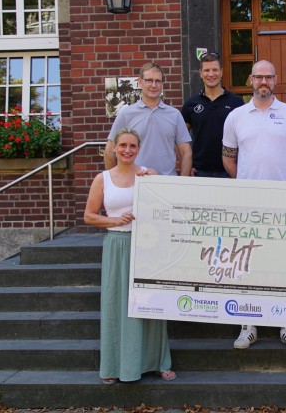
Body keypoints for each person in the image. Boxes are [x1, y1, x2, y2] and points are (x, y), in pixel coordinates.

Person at [221, 60, 286, 349]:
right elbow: (228, 157)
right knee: (248, 260)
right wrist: (245, 183)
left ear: (275, 80)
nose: (263, 82)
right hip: (247, 202)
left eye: (268, 77)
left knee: (284, 261)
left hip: (284, 201)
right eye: (259, 77)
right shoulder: (236, 116)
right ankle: (248, 324)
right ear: (251, 80)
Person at [84, 128, 176, 385]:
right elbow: (89, 216)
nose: (127, 150)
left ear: (138, 148)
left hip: (147, 246)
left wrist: (155, 183)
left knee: (151, 303)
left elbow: (166, 208)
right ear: (114, 148)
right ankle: (115, 365)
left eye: (132, 146)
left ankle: (158, 362)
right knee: (116, 303)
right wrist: (114, 220)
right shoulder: (103, 178)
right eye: (123, 145)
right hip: (117, 245)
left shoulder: (148, 174)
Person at [104, 63, 192, 176]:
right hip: (135, 181)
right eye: (149, 80)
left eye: (158, 81)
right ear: (140, 82)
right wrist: (114, 181)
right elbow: (110, 151)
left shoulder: (174, 115)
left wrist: (182, 181)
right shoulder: (126, 114)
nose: (154, 85)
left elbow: (185, 152)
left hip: (167, 182)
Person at [181, 51, 245, 177]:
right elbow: (181, 139)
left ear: (221, 72)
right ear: (201, 73)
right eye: (206, 70)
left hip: (230, 172)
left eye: (215, 70)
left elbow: (245, 136)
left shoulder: (236, 102)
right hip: (199, 172)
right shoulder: (191, 104)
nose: (211, 74)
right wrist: (187, 165)